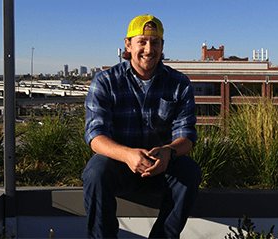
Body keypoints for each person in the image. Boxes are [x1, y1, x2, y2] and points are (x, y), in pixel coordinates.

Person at [82, 14, 202, 239]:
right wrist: (128, 155)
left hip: (162, 168)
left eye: (155, 43)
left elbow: (187, 135)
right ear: (128, 44)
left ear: (162, 46)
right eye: (142, 42)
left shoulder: (179, 83)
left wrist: (168, 152)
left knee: (189, 171)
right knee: (96, 171)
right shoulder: (105, 81)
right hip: (120, 166)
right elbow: (96, 136)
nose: (149, 49)